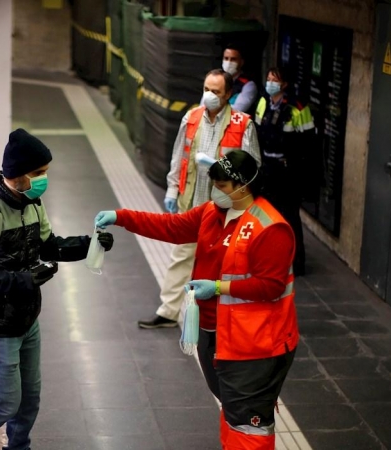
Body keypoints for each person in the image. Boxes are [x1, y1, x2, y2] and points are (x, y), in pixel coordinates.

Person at [95, 150, 298, 450]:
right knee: (232, 412)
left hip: (254, 345)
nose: (217, 191)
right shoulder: (211, 213)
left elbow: (270, 286)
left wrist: (218, 288)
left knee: (248, 422)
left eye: (224, 185)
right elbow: (171, 227)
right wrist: (122, 217)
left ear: (244, 186)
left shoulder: (271, 228)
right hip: (215, 333)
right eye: (215, 183)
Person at [0, 128, 115, 450]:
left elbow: (48, 246)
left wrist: (89, 245)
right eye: (38, 173)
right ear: (17, 174)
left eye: (45, 172)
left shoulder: (33, 203)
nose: (43, 179)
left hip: (26, 319)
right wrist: (20, 281)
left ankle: (18, 447)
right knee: (5, 403)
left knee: (29, 400)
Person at [139, 68, 261, 331]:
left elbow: (253, 167)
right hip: (192, 202)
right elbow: (178, 156)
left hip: (224, 209)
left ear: (229, 94)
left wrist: (221, 166)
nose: (209, 95)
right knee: (181, 255)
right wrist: (172, 189)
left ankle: (224, 317)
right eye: (206, 89)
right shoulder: (191, 117)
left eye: (216, 92)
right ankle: (169, 312)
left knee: (225, 262)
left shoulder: (243, 124)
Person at [254, 67, 315, 276]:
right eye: (268, 78)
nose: (270, 83)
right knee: (264, 215)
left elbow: (308, 145)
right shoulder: (263, 102)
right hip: (266, 167)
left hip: (288, 170)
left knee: (290, 218)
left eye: (275, 80)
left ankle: (296, 263)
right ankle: (268, 258)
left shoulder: (298, 108)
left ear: (284, 85)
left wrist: (301, 174)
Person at [221, 44, 258, 114]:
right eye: (226, 58)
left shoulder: (248, 85)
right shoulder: (216, 80)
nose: (229, 62)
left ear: (241, 62)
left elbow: (237, 110)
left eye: (233, 59)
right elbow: (204, 105)